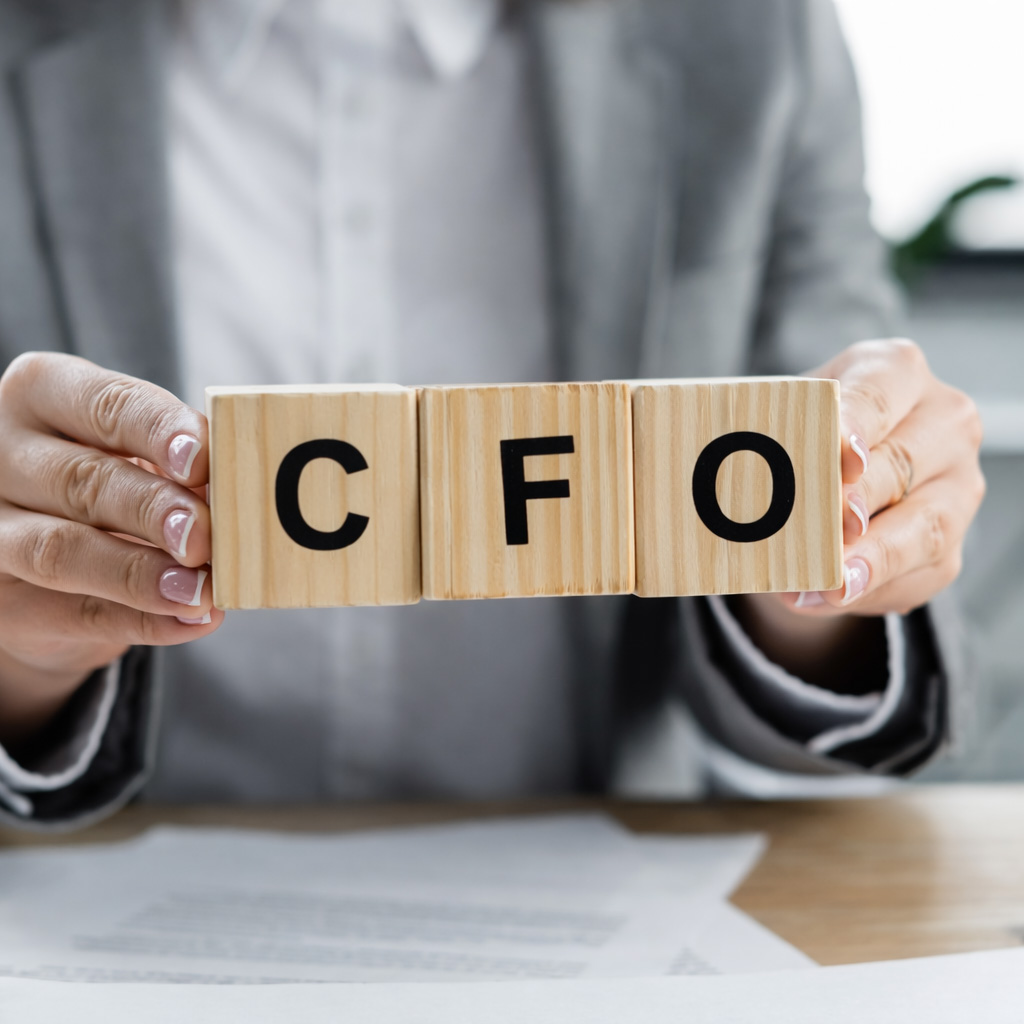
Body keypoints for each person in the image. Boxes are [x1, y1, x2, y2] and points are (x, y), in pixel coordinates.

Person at [0, 0, 984, 826]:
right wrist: (27, 647)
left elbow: (853, 482)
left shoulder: (746, 31)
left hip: (603, 887)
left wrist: (828, 560)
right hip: (103, 899)